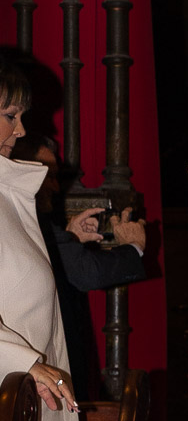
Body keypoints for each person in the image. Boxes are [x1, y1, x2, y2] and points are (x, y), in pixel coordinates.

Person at [0, 59, 82, 421]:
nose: (20, 130)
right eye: (8, 114)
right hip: (7, 406)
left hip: (19, 416)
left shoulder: (9, 189)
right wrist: (24, 361)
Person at [24, 136, 148, 396]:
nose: (55, 187)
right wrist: (133, 246)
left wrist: (70, 238)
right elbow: (86, 273)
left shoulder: (34, 218)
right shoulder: (30, 216)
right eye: (48, 175)